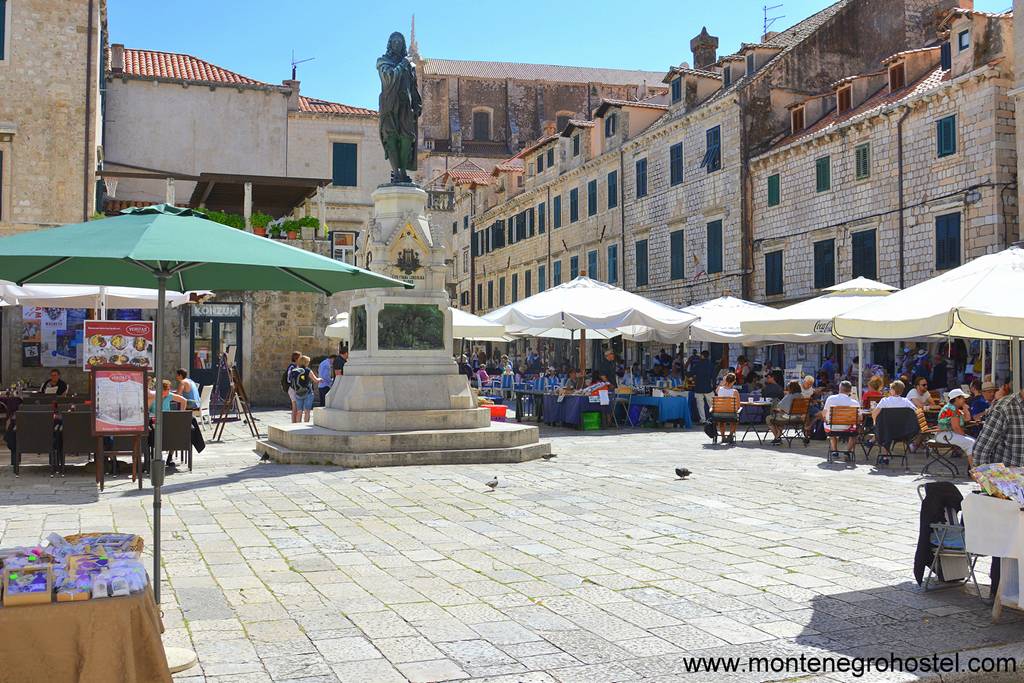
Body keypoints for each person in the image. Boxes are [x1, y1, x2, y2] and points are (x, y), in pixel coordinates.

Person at [823, 381, 860, 457]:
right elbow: (860, 418)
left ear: (840, 389)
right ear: (850, 391)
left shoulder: (830, 399)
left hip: (831, 428)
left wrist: (826, 419)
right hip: (847, 428)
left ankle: (834, 450)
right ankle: (848, 452)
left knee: (829, 424)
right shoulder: (854, 402)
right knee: (855, 431)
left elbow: (824, 414)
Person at [935, 388, 975, 459]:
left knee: (973, 442)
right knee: (972, 443)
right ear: (957, 399)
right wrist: (964, 435)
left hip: (946, 434)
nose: (964, 400)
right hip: (945, 435)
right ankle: (974, 467)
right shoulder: (952, 410)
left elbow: (967, 419)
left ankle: (972, 467)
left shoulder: (954, 408)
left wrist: (965, 409)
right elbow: (956, 428)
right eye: (962, 398)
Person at [289, 355, 320, 423]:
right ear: (306, 362)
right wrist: (320, 379)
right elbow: (315, 380)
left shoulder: (295, 370)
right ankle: (304, 426)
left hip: (298, 393)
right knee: (307, 411)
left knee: (299, 411)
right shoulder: (307, 370)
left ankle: (297, 426)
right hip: (308, 392)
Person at [689, 350, 716, 425]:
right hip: (708, 388)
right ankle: (714, 418)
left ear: (702, 356)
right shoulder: (711, 364)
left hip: (698, 387)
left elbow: (691, 373)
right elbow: (714, 376)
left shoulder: (698, 364)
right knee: (712, 404)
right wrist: (714, 386)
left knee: (700, 405)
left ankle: (703, 420)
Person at [714, 372, 741, 444]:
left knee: (722, 421)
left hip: (719, 414)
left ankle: (723, 437)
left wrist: (723, 381)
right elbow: (738, 406)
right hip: (731, 415)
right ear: (734, 381)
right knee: (735, 419)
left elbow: (718, 388)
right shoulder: (735, 391)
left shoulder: (719, 389)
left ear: (726, 380)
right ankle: (730, 435)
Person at [283, 351, 301, 423]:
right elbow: (289, 379)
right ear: (297, 358)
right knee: (295, 407)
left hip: (294, 388)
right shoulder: (292, 366)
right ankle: (294, 423)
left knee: (296, 407)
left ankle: (295, 422)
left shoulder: (295, 366)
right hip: (293, 388)